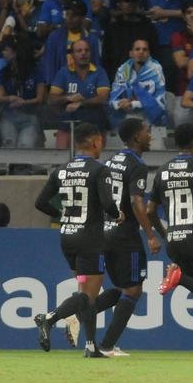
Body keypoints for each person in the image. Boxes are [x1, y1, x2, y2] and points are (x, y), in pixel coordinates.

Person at [33, 122, 118, 358]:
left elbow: (40, 202)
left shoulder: (62, 170)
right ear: (94, 141)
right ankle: (49, 318)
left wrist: (63, 215)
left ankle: (91, 346)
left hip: (67, 237)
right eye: (101, 140)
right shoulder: (99, 170)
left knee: (85, 293)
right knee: (87, 295)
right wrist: (118, 215)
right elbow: (109, 204)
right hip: (90, 238)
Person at [97, 117, 163, 357]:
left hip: (105, 231)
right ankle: (106, 346)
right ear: (137, 137)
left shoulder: (111, 160)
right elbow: (137, 201)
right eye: (147, 131)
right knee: (133, 289)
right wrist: (151, 234)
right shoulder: (137, 165)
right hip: (125, 235)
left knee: (122, 288)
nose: (150, 135)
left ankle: (78, 312)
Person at [109, 38, 168, 128]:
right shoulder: (123, 70)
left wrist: (133, 104)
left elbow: (160, 102)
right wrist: (120, 103)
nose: (141, 52)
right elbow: (113, 97)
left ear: (148, 54)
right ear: (131, 53)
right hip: (127, 115)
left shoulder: (155, 70)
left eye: (145, 49)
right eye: (137, 49)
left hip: (151, 118)